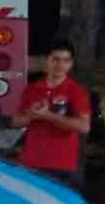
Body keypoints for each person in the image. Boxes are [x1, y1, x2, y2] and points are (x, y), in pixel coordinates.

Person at [11, 38, 91, 186]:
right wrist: (31, 115)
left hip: (60, 164)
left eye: (65, 60)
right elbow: (15, 122)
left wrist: (48, 116)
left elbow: (84, 127)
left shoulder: (77, 91)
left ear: (71, 64)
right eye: (56, 59)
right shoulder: (31, 89)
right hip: (30, 160)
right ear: (46, 61)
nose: (60, 65)